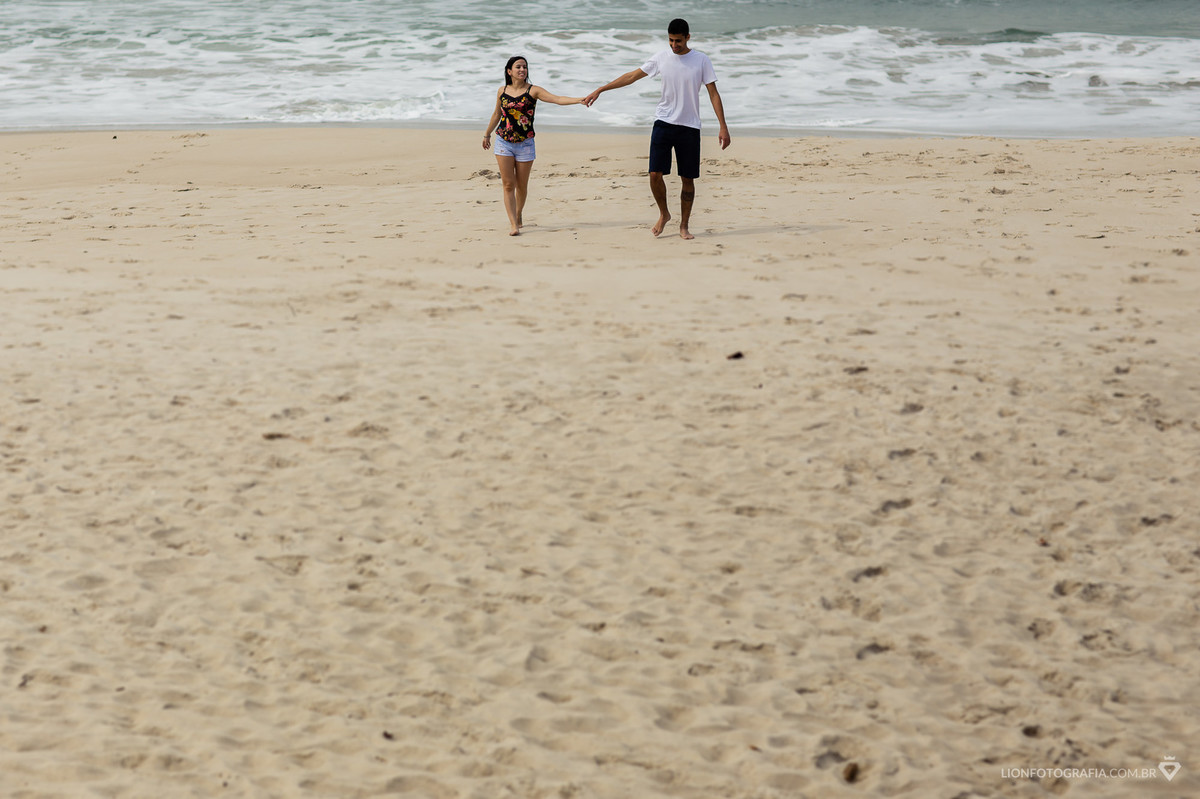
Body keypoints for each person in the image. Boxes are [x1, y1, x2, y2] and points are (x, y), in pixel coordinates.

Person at [583, 18, 730, 240]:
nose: (674, 45)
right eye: (670, 40)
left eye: (678, 41)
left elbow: (713, 94)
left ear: (688, 37)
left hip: (689, 126)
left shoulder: (701, 60)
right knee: (654, 174)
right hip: (663, 122)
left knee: (687, 179)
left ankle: (684, 225)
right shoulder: (662, 57)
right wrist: (601, 89)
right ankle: (664, 214)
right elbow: (632, 76)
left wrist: (723, 127)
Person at [483, 56, 584, 236]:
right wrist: (487, 134)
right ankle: (513, 224)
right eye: (518, 67)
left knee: (521, 186)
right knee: (508, 185)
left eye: (525, 67)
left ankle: (518, 213)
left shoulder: (533, 91)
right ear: (509, 71)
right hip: (503, 142)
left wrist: (579, 100)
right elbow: (497, 114)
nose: (522, 70)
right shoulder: (502, 91)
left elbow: (557, 99)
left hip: (525, 144)